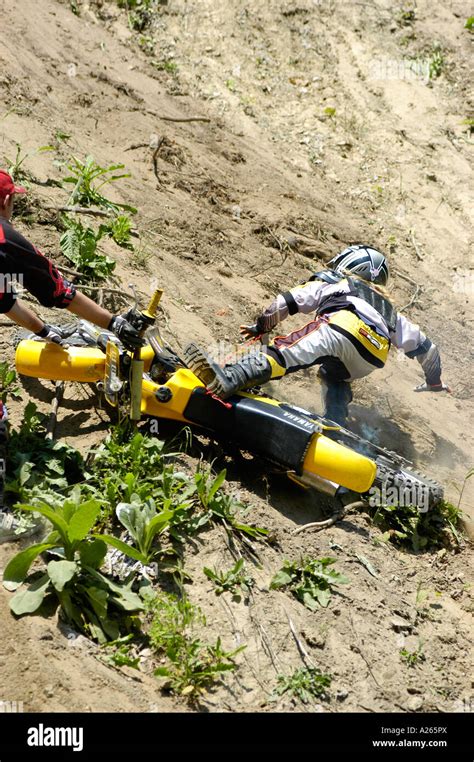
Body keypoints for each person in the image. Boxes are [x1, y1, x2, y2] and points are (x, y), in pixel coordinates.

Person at [0, 169, 144, 542]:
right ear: (6, 201)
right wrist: (114, 322)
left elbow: (4, 299)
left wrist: (42, 330)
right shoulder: (6, 239)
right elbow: (60, 291)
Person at [184, 244, 450, 425]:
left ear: (350, 265)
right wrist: (433, 383)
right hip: (371, 357)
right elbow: (428, 349)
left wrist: (262, 326)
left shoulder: (339, 282)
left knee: (285, 351)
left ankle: (232, 377)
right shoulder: (392, 312)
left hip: (340, 326)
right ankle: (336, 424)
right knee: (334, 377)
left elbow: (287, 301)